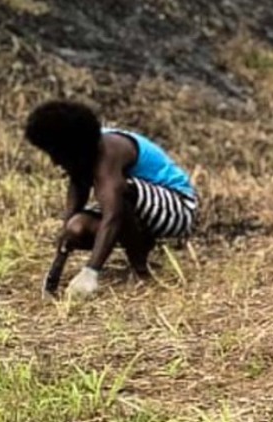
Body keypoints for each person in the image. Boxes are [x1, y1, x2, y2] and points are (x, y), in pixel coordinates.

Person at [25, 100, 198, 297]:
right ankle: (142, 243)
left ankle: (141, 270)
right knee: (76, 227)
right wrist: (58, 265)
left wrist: (90, 272)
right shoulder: (83, 155)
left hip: (178, 208)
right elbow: (77, 198)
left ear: (72, 148)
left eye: (57, 154)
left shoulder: (110, 151)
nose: (55, 162)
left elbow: (114, 214)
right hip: (143, 209)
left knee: (120, 192)